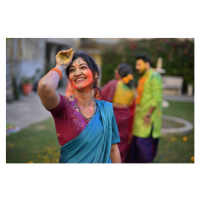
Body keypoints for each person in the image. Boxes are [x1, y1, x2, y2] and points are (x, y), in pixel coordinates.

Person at [37, 48, 121, 163]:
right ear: (70, 79)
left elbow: (113, 150)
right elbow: (45, 86)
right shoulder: (63, 107)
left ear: (95, 74)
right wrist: (60, 66)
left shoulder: (106, 110)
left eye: (83, 67)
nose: (77, 73)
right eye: (72, 70)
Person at [129, 54, 163, 163]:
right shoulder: (144, 77)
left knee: (144, 151)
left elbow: (156, 98)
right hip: (139, 120)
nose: (137, 67)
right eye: (136, 65)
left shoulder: (155, 76)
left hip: (148, 120)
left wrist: (148, 114)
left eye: (139, 64)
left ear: (147, 63)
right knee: (134, 153)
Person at [100, 64, 135, 163]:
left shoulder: (113, 84)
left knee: (109, 140)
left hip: (113, 115)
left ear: (119, 73)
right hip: (125, 116)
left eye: (117, 70)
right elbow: (130, 104)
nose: (115, 72)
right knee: (121, 141)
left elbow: (101, 97)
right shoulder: (132, 88)